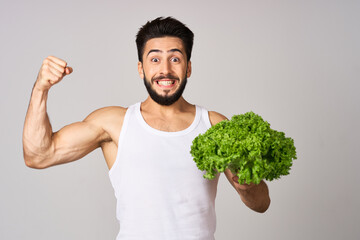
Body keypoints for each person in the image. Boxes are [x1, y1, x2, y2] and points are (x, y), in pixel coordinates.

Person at [22, 17, 270, 239]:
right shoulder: (114, 123)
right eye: (154, 59)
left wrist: (247, 186)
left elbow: (261, 203)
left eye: (175, 58)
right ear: (141, 68)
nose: (165, 70)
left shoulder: (215, 126)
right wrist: (41, 89)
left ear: (189, 68)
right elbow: (38, 155)